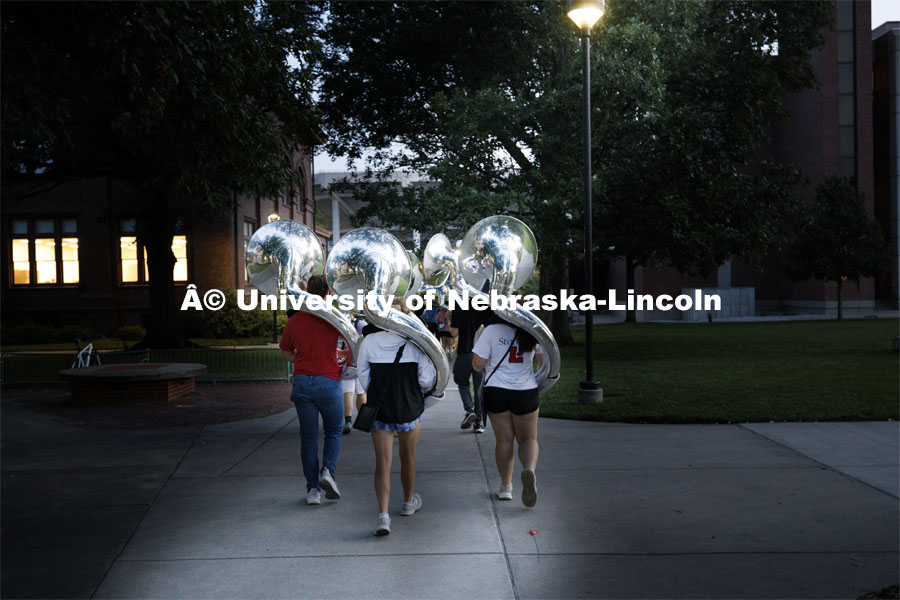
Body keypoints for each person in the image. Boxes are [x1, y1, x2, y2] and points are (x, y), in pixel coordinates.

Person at [357, 300, 437, 536]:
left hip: (381, 408)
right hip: (408, 407)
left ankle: (383, 516)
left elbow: (363, 377)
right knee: (408, 458)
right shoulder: (414, 342)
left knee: (382, 464)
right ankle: (408, 502)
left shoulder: (368, 341)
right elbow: (426, 379)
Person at [280, 275, 348, 506]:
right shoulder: (333, 318)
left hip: (302, 381)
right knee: (333, 432)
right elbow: (349, 344)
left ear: (307, 291)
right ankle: (328, 471)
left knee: (308, 439)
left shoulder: (296, 319)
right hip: (328, 380)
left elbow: (285, 352)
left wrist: (298, 356)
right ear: (327, 293)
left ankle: (312, 491)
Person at [472, 318, 544, 507]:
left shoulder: (491, 330)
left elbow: (478, 364)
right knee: (528, 439)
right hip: (525, 390)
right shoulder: (532, 330)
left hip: (497, 391)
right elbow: (545, 363)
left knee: (504, 440)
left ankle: (506, 487)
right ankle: (529, 469)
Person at [451, 305, 494, 433]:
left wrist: (449, 319)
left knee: (461, 381)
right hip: (483, 352)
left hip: (465, 351)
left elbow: (454, 333)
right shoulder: (487, 305)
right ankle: (479, 423)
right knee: (479, 388)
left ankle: (469, 410)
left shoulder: (459, 305)